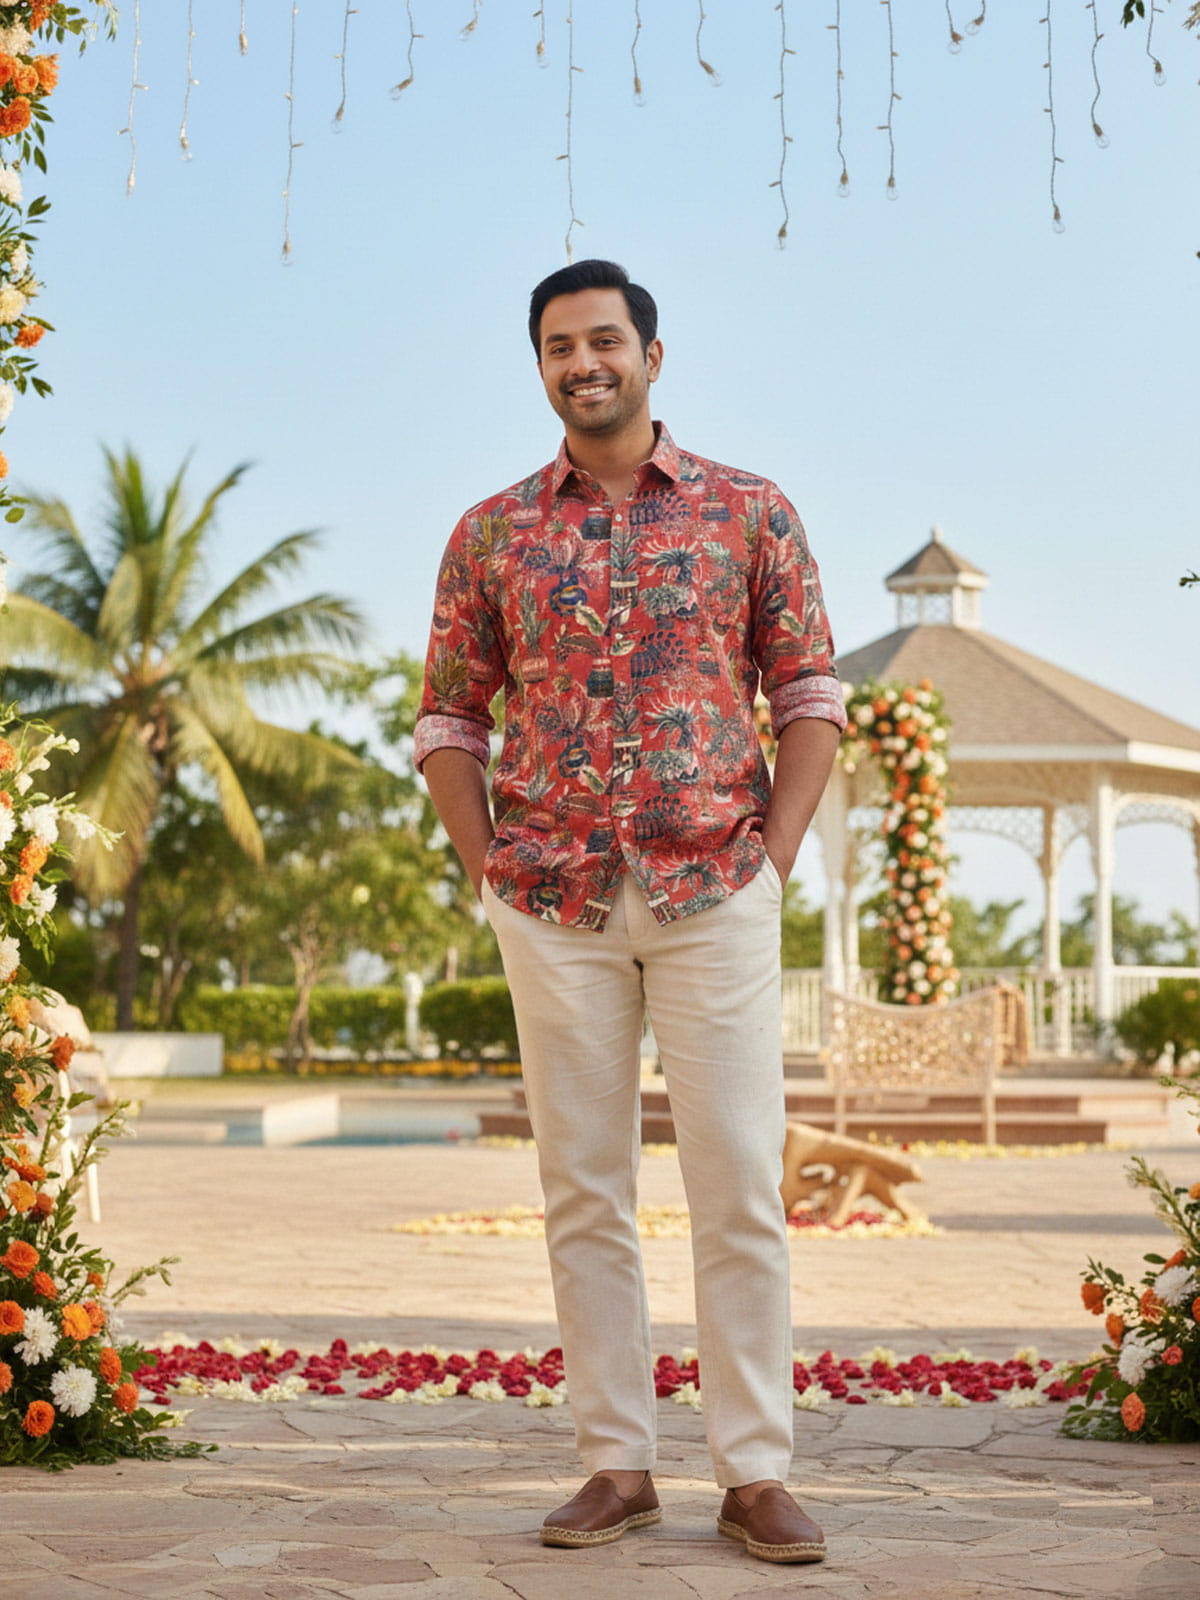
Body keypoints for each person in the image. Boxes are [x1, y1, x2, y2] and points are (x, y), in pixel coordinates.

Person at [415, 259, 845, 1564]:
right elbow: (448, 719)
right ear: (541, 367)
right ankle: (616, 1462)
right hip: (553, 904)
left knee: (736, 1184)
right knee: (583, 1188)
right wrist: (490, 867)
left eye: (605, 340)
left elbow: (810, 695)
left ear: (654, 356)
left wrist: (772, 856)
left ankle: (755, 1471)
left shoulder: (750, 512)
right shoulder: (491, 534)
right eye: (559, 346)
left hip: (715, 891)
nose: (582, 362)